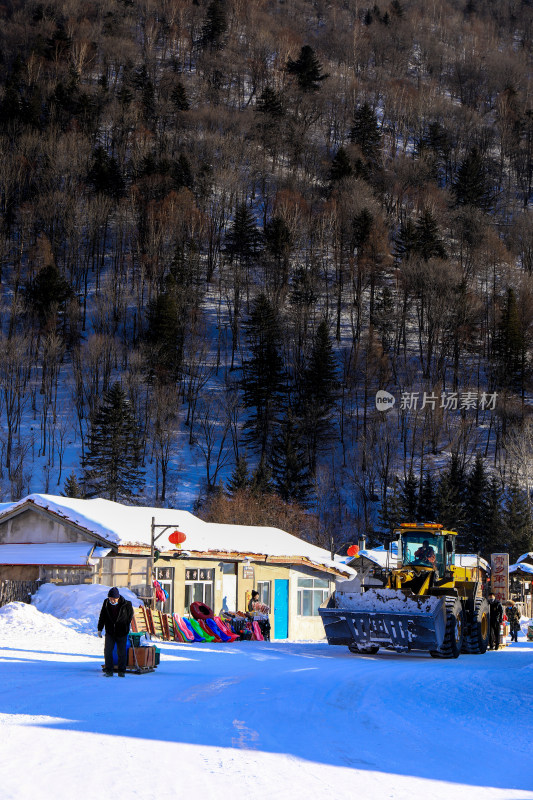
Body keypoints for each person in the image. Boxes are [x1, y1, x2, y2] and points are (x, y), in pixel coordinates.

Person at [97, 587, 134, 677]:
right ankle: (109, 671)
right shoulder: (106, 603)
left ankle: (121, 671)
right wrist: (100, 628)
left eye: (114, 599)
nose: (112, 601)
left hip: (122, 632)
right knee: (108, 651)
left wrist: (125, 626)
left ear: (118, 598)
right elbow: (102, 616)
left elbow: (130, 616)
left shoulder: (127, 604)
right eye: (110, 599)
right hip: (110, 632)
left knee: (121, 652)